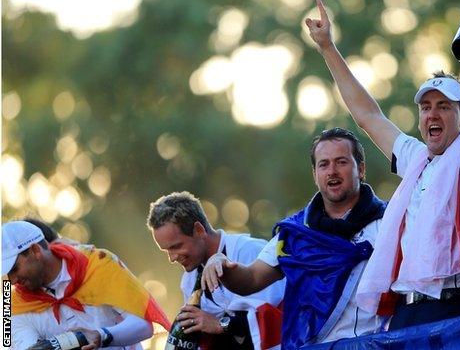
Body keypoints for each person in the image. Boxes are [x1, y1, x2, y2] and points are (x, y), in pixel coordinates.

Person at [305, 0, 460, 329]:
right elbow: (368, 116)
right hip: (406, 314)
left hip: (458, 311)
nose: (432, 113)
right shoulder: (416, 159)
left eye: (444, 106)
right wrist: (328, 47)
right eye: (426, 106)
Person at [202, 128, 387, 349]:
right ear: (315, 174)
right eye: (324, 164)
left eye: (341, 162)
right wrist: (221, 263)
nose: (332, 171)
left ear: (361, 169)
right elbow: (251, 278)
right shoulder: (295, 232)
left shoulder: (389, 223)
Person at [146, 191, 285, 350]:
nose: (172, 258)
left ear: (199, 230)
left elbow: (275, 321)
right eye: (166, 251)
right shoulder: (189, 280)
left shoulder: (251, 251)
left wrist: (219, 324)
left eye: (176, 246)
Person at [3, 220, 170, 349]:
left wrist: (101, 336)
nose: (12, 280)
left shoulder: (99, 263)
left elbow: (144, 324)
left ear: (35, 251)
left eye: (15, 269)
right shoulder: (13, 304)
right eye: (7, 275)